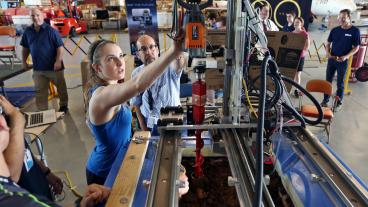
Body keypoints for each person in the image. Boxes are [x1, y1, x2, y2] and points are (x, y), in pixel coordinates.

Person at [83, 35, 183, 185]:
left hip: (120, 162)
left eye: (120, 55)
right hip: (104, 172)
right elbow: (137, 85)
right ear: (97, 68)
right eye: (110, 59)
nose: (119, 62)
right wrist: (173, 50)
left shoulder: (112, 89)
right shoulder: (101, 95)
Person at [131, 35, 185, 136]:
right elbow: (137, 103)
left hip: (172, 115)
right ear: (138, 54)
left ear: (158, 50)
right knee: (154, 149)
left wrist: (178, 52)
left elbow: (179, 65)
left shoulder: (169, 67)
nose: (148, 52)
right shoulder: (136, 73)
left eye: (152, 47)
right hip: (149, 120)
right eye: (143, 49)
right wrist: (143, 127)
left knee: (173, 148)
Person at [21, 8, 69, 113]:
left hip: (54, 67)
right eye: (33, 16)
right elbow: (25, 48)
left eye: (37, 15)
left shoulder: (51, 31)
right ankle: (43, 110)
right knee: (40, 91)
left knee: (61, 88)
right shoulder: (28, 32)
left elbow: (60, 47)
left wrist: (57, 61)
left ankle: (64, 106)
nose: (35, 18)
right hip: (38, 68)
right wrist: (24, 61)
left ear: (43, 16)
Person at [321, 9, 360, 110]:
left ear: (349, 18)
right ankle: (325, 100)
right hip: (332, 60)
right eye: (340, 17)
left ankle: (338, 102)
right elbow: (328, 43)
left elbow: (356, 47)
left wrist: (346, 56)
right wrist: (328, 53)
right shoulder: (335, 30)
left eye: (344, 17)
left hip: (343, 61)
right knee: (328, 81)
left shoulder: (355, 31)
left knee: (340, 83)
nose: (341, 19)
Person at [292, 17, 310, 97]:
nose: (296, 24)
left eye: (298, 22)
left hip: (300, 57)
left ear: (301, 24)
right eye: (295, 22)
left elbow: (307, 46)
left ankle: (297, 89)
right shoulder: (292, 33)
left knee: (298, 74)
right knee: (291, 74)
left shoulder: (305, 34)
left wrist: (300, 51)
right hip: (293, 56)